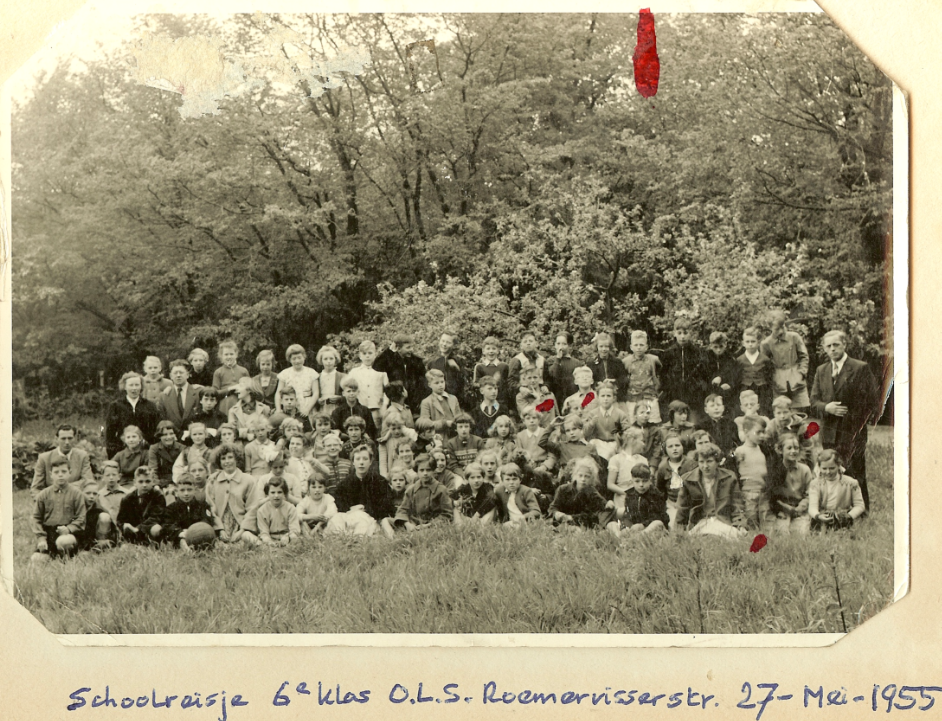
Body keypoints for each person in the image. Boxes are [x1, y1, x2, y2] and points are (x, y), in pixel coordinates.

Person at [809, 329, 880, 512]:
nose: (832, 349)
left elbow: (871, 401)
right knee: (830, 471)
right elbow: (813, 401)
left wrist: (854, 422)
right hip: (829, 431)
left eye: (836, 345)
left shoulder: (859, 368)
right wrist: (827, 408)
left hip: (852, 431)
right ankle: (834, 508)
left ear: (844, 345)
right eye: (828, 346)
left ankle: (861, 510)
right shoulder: (821, 370)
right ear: (824, 348)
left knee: (855, 471)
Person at [675, 443, 745, 538]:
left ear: (717, 462)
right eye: (701, 462)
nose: (705, 466)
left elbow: (737, 505)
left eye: (709, 461)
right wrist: (679, 532)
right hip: (700, 523)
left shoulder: (729, 478)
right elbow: (682, 509)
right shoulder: (688, 480)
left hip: (722, 521)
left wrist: (740, 526)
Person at [30, 457, 85, 561]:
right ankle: (53, 555)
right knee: (36, 559)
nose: (60, 475)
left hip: (69, 534)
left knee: (63, 542)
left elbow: (81, 518)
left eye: (64, 471)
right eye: (56, 472)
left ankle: (68, 558)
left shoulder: (76, 494)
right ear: (51, 474)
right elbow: (36, 518)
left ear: (70, 472)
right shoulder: (43, 495)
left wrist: (69, 528)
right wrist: (41, 538)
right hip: (49, 534)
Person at [205, 444, 262, 543]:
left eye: (230, 457)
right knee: (213, 542)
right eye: (223, 458)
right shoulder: (213, 480)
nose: (227, 461)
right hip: (220, 527)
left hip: (241, 525)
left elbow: (253, 508)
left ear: (237, 459)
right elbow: (211, 507)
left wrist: (242, 530)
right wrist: (220, 529)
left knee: (246, 537)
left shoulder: (248, 480)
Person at [659, 318, 710, 424]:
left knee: (693, 424)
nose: (682, 336)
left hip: (693, 395)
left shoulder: (697, 352)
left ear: (690, 333)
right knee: (674, 424)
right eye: (679, 333)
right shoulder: (668, 353)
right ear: (674, 333)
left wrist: (697, 387)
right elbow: (663, 375)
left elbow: (704, 374)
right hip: (674, 394)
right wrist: (669, 388)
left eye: (685, 333)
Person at [327, 445, 386, 535]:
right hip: (349, 517)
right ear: (353, 462)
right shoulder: (345, 483)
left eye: (365, 459)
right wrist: (351, 509)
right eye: (358, 459)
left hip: (370, 519)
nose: (361, 463)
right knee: (337, 520)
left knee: (362, 522)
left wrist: (365, 509)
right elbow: (339, 504)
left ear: (370, 462)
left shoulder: (380, 481)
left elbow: (385, 506)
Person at [761, 311, 811, 412]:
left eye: (783, 326)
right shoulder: (766, 344)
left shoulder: (794, 337)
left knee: (799, 414)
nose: (781, 331)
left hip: (797, 379)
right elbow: (765, 366)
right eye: (777, 329)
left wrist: (801, 373)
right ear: (770, 328)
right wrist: (773, 379)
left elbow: (804, 356)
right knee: (781, 412)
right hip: (779, 383)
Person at [105, 371, 161, 458]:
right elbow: (110, 432)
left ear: (141, 386)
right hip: (122, 450)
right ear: (124, 387)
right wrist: (114, 451)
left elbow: (156, 430)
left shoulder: (150, 406)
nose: (134, 388)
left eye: (137, 385)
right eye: (131, 385)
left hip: (145, 451)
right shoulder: (116, 406)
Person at [30, 424, 95, 497]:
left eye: (70, 438)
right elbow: (35, 489)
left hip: (76, 499)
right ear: (56, 439)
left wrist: (66, 488)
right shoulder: (44, 458)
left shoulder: (82, 456)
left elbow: (89, 481)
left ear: (75, 438)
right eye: (63, 438)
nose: (67, 442)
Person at [392, 453, 453, 531]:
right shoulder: (411, 490)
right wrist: (408, 524)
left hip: (434, 526)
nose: (425, 473)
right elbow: (403, 510)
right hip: (413, 524)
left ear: (434, 470)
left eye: (428, 470)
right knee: (387, 521)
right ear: (417, 471)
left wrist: (429, 525)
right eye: (421, 470)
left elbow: (447, 514)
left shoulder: (441, 490)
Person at [549, 457, 614, 529]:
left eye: (587, 476)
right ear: (575, 475)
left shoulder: (592, 493)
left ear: (592, 478)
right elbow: (553, 507)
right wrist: (556, 513)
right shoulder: (563, 489)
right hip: (561, 521)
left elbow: (592, 514)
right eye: (580, 475)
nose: (583, 479)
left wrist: (571, 518)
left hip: (579, 523)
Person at [808, 449, 866, 530]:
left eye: (832, 468)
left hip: (843, 517)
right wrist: (818, 516)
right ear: (819, 467)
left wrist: (849, 516)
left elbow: (860, 505)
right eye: (824, 468)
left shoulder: (851, 483)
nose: (828, 472)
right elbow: (812, 507)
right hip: (822, 517)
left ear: (838, 466)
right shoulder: (815, 484)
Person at [768, 432, 813, 535]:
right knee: (781, 533)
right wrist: (783, 508)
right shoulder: (776, 470)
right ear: (780, 450)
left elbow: (810, 493)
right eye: (789, 448)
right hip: (782, 509)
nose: (793, 451)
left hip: (800, 509)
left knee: (801, 533)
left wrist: (800, 508)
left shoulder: (805, 470)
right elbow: (772, 495)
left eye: (796, 448)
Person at [161, 473, 221, 550]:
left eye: (189, 490)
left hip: (199, 534)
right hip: (181, 535)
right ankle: (184, 546)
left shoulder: (202, 505)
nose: (186, 493)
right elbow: (168, 524)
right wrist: (180, 532)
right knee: (178, 539)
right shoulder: (171, 508)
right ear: (176, 491)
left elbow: (206, 520)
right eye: (182, 490)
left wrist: (194, 530)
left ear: (195, 490)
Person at [734, 415, 771, 530]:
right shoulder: (741, 451)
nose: (762, 436)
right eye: (758, 432)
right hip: (748, 492)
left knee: (765, 519)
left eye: (763, 432)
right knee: (751, 519)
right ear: (746, 432)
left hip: (763, 492)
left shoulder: (763, 450)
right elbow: (736, 470)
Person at [612, 463, 669, 537]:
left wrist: (643, 525)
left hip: (650, 526)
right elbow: (628, 514)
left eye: (644, 481)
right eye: (637, 481)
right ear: (632, 480)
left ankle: (640, 536)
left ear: (650, 480)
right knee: (621, 526)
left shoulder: (655, 495)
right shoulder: (630, 494)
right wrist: (629, 526)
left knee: (657, 523)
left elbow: (660, 516)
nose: (641, 484)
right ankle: (632, 536)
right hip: (636, 526)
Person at [375, 336, 426, 416]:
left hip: (414, 402)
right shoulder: (390, 360)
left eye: (412, 347)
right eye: (408, 348)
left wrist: (421, 400)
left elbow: (423, 383)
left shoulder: (417, 361)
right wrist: (389, 350)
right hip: (397, 401)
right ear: (398, 348)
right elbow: (376, 366)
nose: (411, 350)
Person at [654, 432, 697, 529]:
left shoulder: (691, 464)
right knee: (674, 526)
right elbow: (660, 491)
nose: (674, 448)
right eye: (670, 446)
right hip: (672, 504)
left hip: (689, 504)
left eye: (677, 445)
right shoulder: (663, 467)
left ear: (683, 447)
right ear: (665, 449)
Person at [242, 477, 301, 547]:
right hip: (269, 538)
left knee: (296, 539)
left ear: (284, 494)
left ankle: (285, 547)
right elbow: (264, 532)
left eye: (279, 492)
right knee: (245, 535)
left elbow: (294, 529)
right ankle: (266, 547)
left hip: (286, 538)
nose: (276, 496)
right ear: (267, 494)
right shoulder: (262, 510)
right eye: (272, 492)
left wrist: (288, 537)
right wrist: (269, 541)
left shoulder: (290, 508)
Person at [117, 466, 166, 545]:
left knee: (156, 528)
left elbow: (156, 517)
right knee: (126, 526)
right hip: (133, 529)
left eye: (147, 481)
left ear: (153, 482)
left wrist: (138, 528)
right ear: (134, 482)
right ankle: (133, 541)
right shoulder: (127, 498)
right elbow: (120, 519)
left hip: (149, 528)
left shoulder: (158, 496)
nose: (144, 485)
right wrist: (125, 526)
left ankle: (152, 543)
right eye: (140, 482)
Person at [622, 330, 662, 424]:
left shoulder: (653, 359)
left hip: (649, 396)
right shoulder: (626, 361)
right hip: (633, 397)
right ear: (631, 347)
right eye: (636, 345)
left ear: (646, 347)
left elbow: (660, 372)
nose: (639, 348)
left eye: (641, 345)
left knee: (653, 422)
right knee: (633, 422)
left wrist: (657, 387)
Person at [346, 340, 389, 429]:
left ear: (375, 354)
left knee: (377, 431)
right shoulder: (354, 372)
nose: (367, 356)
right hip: (360, 409)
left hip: (377, 408)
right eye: (364, 353)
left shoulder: (382, 372)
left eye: (370, 353)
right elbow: (349, 389)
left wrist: (384, 405)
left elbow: (387, 391)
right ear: (360, 355)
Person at [583, 381, 629, 459]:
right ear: (598, 398)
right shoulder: (592, 414)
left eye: (608, 396)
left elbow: (627, 430)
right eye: (602, 396)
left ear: (614, 398)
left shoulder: (620, 414)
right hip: (598, 442)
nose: (605, 399)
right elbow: (585, 433)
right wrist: (591, 423)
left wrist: (621, 435)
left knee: (612, 454)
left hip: (614, 443)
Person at [156, 359, 202, 435]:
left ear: (187, 375)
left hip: (194, 436)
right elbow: (162, 420)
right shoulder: (164, 396)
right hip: (173, 438)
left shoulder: (198, 392)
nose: (178, 375)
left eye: (181, 372)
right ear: (171, 376)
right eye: (175, 373)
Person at [607, 426, 649, 510]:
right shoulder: (616, 459)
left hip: (640, 497)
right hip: (622, 499)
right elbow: (610, 484)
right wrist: (626, 494)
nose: (643, 444)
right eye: (642, 441)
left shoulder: (643, 460)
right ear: (632, 440)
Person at [736, 327, 775, 417]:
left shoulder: (765, 359)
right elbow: (737, 378)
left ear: (758, 342)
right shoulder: (739, 360)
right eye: (747, 342)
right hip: (745, 388)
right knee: (746, 410)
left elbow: (769, 376)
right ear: (743, 343)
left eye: (753, 341)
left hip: (762, 389)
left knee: (762, 410)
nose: (750, 344)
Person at [274, 344, 319, 417]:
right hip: (290, 406)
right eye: (294, 359)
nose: (297, 361)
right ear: (289, 360)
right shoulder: (285, 373)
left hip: (307, 406)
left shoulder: (311, 372)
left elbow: (316, 393)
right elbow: (278, 393)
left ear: (304, 357)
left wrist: (307, 409)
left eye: (299, 358)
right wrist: (278, 409)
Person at [77, 479, 119, 552]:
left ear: (98, 495)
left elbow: (114, 531)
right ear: (81, 493)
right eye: (88, 493)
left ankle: (100, 547)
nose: (91, 496)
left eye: (94, 494)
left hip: (95, 539)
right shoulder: (76, 507)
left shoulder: (99, 509)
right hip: (80, 540)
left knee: (104, 517)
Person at [697, 393, 740, 463]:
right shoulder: (701, 426)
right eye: (712, 406)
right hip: (709, 458)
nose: (716, 408)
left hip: (728, 459)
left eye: (718, 405)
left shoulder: (730, 424)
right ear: (706, 410)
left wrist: (730, 455)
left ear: (723, 408)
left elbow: (736, 444)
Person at [706, 331, 742, 414]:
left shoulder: (730, 358)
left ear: (725, 344)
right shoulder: (705, 358)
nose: (718, 350)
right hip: (710, 393)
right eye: (715, 347)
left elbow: (735, 375)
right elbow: (703, 376)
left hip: (727, 395)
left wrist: (730, 384)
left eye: (721, 346)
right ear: (711, 346)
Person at [212, 340, 250, 418]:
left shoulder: (243, 371)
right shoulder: (218, 372)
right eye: (226, 354)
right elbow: (214, 393)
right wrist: (230, 389)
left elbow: (250, 389)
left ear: (236, 355)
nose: (229, 357)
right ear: (221, 356)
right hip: (225, 403)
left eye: (231, 354)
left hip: (242, 402)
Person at [587, 332, 628, 403]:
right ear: (597, 347)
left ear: (610, 347)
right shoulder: (591, 363)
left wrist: (614, 382)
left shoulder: (617, 362)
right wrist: (597, 384)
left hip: (615, 396)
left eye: (606, 346)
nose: (604, 349)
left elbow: (624, 379)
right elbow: (588, 380)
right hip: (597, 396)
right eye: (601, 346)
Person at [419, 368, 461, 435]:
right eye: (436, 383)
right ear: (429, 385)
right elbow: (425, 425)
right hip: (439, 436)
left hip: (455, 435)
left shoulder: (453, 398)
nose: (440, 385)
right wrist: (445, 423)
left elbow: (459, 417)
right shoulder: (426, 402)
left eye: (442, 382)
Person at [426, 330, 465, 403]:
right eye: (443, 341)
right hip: (436, 400)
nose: (444, 344)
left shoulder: (458, 361)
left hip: (453, 399)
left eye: (448, 342)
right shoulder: (432, 362)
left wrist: (456, 369)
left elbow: (462, 383)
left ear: (453, 345)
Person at [545, 331, 582, 408]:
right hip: (555, 399)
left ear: (570, 346)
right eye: (558, 344)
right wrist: (558, 359)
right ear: (554, 345)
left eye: (564, 344)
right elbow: (552, 375)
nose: (560, 347)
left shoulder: (576, 363)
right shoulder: (551, 361)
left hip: (571, 399)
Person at [507, 331, 546, 401]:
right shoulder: (516, 360)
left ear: (536, 343)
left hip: (540, 394)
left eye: (530, 341)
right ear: (521, 345)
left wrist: (546, 386)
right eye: (525, 342)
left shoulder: (542, 360)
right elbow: (511, 381)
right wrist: (520, 388)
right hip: (523, 395)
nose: (528, 343)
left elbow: (547, 378)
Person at [378, 410, 418, 478]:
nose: (397, 431)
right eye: (393, 429)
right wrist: (385, 477)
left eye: (399, 428)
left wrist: (404, 429)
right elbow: (383, 463)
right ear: (388, 428)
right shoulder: (384, 442)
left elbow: (415, 435)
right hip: (392, 474)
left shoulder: (407, 439)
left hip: (407, 473)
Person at [147, 420, 185, 491]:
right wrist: (156, 485)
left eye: (171, 433)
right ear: (159, 436)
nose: (169, 437)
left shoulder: (182, 448)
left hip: (177, 482)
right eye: (165, 434)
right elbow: (153, 470)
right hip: (161, 482)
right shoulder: (154, 448)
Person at [378, 463, 412, 539]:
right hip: (395, 521)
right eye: (395, 480)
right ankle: (392, 537)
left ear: (406, 481)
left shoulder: (408, 494)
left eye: (401, 480)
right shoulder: (388, 495)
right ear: (390, 483)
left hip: (407, 521)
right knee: (384, 521)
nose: (398, 482)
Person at [473, 336, 510, 406]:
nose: (491, 351)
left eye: (494, 348)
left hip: (502, 402)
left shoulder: (504, 366)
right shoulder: (479, 367)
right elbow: (475, 384)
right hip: (485, 402)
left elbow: (508, 386)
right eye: (488, 349)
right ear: (483, 351)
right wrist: (490, 381)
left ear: (498, 350)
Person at [314, 345, 347, 416]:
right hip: (322, 409)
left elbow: (348, 394)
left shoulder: (342, 376)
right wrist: (318, 401)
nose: (328, 361)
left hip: (338, 408)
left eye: (331, 358)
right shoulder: (316, 377)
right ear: (321, 361)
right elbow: (313, 395)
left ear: (335, 360)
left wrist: (339, 398)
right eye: (325, 359)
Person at [631, 400, 663, 466]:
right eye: (642, 412)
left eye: (648, 413)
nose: (645, 415)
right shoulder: (630, 430)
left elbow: (657, 450)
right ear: (635, 415)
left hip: (650, 461)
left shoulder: (654, 430)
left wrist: (653, 465)